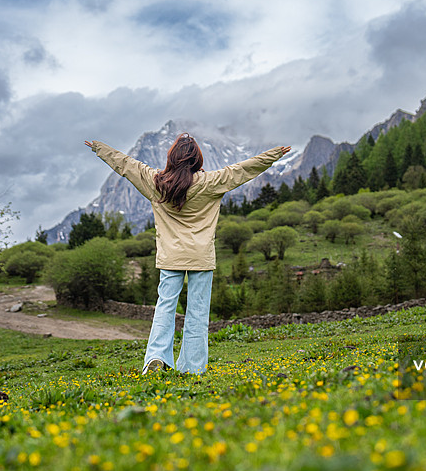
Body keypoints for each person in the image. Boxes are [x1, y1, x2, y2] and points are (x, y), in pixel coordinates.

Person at [85, 134, 290, 375]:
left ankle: (157, 357)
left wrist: (100, 148)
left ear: (172, 158)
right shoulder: (211, 182)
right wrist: (273, 155)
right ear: (197, 160)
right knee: (198, 312)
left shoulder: (155, 182)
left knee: (165, 307)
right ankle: (192, 367)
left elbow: (127, 165)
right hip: (200, 257)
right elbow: (243, 170)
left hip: (170, 256)